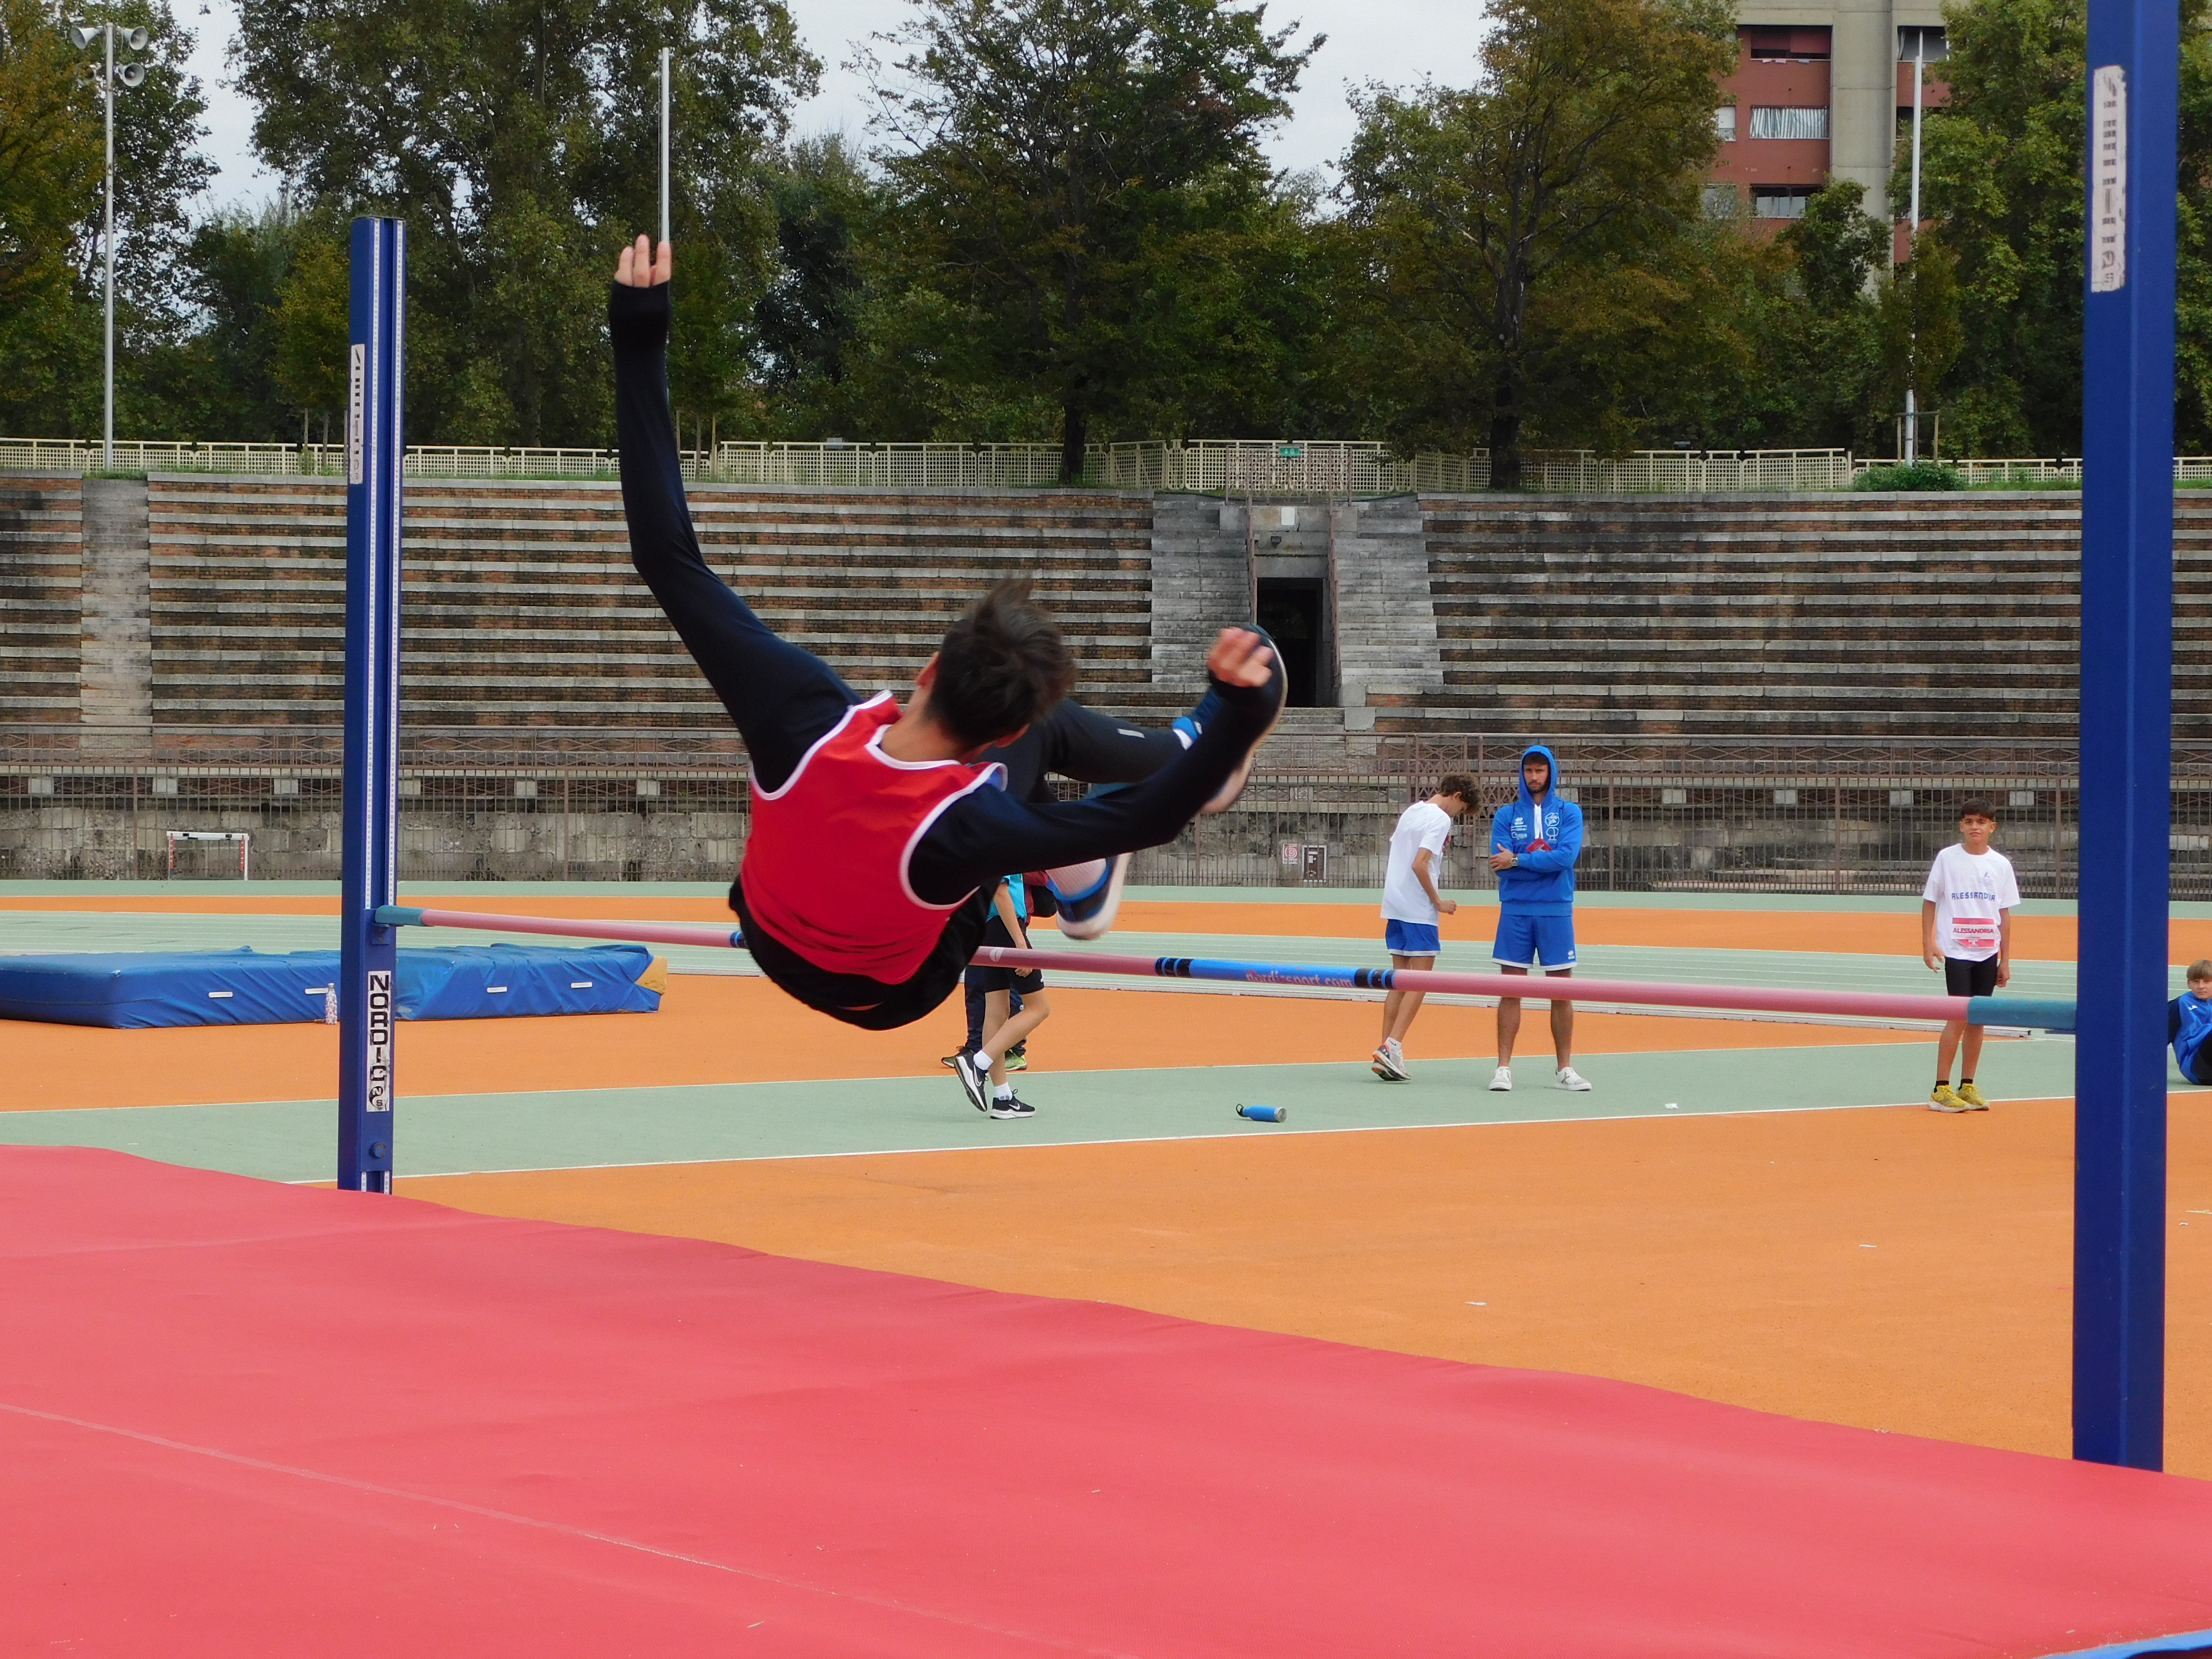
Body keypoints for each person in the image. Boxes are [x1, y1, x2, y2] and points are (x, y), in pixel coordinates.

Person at [608, 236, 1284, 1033]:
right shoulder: (970, 824)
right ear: (999, 731)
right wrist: (1239, 716)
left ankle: (1126, 826)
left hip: (768, 935)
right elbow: (1145, 820)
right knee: (1045, 739)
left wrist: (639, 340)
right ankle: (1166, 772)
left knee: (1024, 774)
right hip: (887, 992)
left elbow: (666, 557)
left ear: (928, 668)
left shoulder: (798, 715)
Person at [1486, 745, 1590, 1093]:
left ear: (1551, 773)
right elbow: (1499, 866)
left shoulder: (1570, 812)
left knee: (1561, 992)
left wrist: (1518, 859)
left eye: (1540, 771)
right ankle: (1503, 1068)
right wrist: (1533, 862)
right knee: (1510, 990)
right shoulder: (1506, 815)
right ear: (1522, 773)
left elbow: (1565, 859)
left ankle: (1565, 1068)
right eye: (1529, 771)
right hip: (1515, 909)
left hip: (1556, 908)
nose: (1534, 777)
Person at [1371, 775, 1476, 1081]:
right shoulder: (1440, 819)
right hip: (1418, 908)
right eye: (1462, 809)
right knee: (1420, 981)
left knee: (1399, 982)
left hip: (1395, 904)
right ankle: (1392, 1046)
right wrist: (1438, 902)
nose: (1457, 815)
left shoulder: (1412, 811)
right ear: (1457, 796)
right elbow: (1420, 863)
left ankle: (1386, 1049)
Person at [1921, 798, 2020, 1112]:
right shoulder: (1947, 859)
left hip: (1987, 951)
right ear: (1961, 826)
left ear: (1992, 827)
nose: (1975, 827)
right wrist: (1928, 943)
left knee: (1978, 1019)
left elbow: (2004, 914)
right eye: (1969, 821)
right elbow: (1930, 902)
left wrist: (2005, 959)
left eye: (1981, 822)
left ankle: (1967, 1085)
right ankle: (1941, 1088)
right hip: (1957, 950)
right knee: (1959, 1016)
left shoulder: (2001, 865)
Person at [962, 876, 1053, 1118]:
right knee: (1039, 1008)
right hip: (1005, 925)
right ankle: (978, 1063)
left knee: (997, 1010)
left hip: (989, 927)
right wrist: (1020, 943)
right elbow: (1000, 891)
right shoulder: (1001, 850)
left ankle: (1003, 1098)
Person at [2170, 960, 2212, 1086]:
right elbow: (2157, 1039)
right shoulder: (2180, 1004)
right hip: (2197, 1065)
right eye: (2196, 982)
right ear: (2189, 984)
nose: (2201, 986)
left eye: (2207, 982)